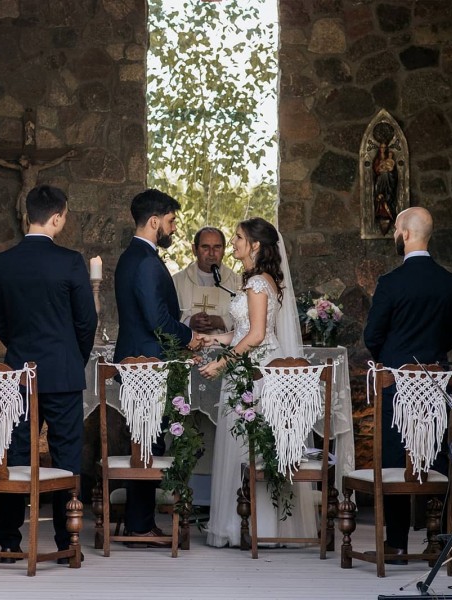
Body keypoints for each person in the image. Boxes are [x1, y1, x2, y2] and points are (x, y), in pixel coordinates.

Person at [0, 184, 97, 562]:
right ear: (56, 217)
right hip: (63, 371)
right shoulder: (70, 261)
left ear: (27, 215)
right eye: (64, 216)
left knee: (16, 453)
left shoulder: (1, 263)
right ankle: (67, 543)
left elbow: (0, 322)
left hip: (18, 371)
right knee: (67, 456)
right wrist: (73, 357)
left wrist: (21, 350)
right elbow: (86, 321)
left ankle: (9, 539)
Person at [198, 217, 317, 548]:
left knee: (252, 445)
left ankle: (255, 526)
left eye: (238, 237)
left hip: (258, 373)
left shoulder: (258, 284)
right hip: (250, 365)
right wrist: (214, 339)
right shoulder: (258, 281)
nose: (234, 243)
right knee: (245, 445)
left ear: (255, 245)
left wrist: (222, 363)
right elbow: (242, 332)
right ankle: (247, 524)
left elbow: (257, 335)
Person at [364, 206, 452, 561]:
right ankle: (438, 539)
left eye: (395, 229)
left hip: (396, 383)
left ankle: (397, 542)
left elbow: (372, 335)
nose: (394, 234)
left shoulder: (391, 283)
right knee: (436, 455)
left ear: (405, 233)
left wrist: (393, 361)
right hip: (436, 383)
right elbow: (449, 337)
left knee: (395, 458)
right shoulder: (451, 283)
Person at [114, 188, 201, 545]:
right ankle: (140, 525)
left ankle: (139, 522)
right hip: (147, 366)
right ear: (154, 221)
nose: (174, 228)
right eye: (171, 221)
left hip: (141, 362)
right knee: (148, 445)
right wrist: (189, 337)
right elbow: (158, 320)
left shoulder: (131, 257)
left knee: (145, 443)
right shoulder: (147, 261)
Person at [0, 149, 76, 231]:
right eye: (19, 160)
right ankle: (26, 237)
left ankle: (31, 236)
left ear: (27, 160)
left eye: (21, 160)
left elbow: (52, 163)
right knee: (24, 218)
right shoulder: (21, 169)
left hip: (34, 195)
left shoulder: (35, 168)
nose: (19, 162)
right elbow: (5, 164)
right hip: (24, 194)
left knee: (33, 219)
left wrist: (66, 155)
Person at [173, 227, 241, 334]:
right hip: (186, 344)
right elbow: (166, 317)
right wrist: (189, 322)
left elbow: (247, 319)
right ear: (194, 249)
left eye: (217, 247)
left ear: (224, 250)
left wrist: (221, 321)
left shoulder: (237, 282)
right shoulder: (177, 281)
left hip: (224, 344)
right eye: (205, 247)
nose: (211, 253)